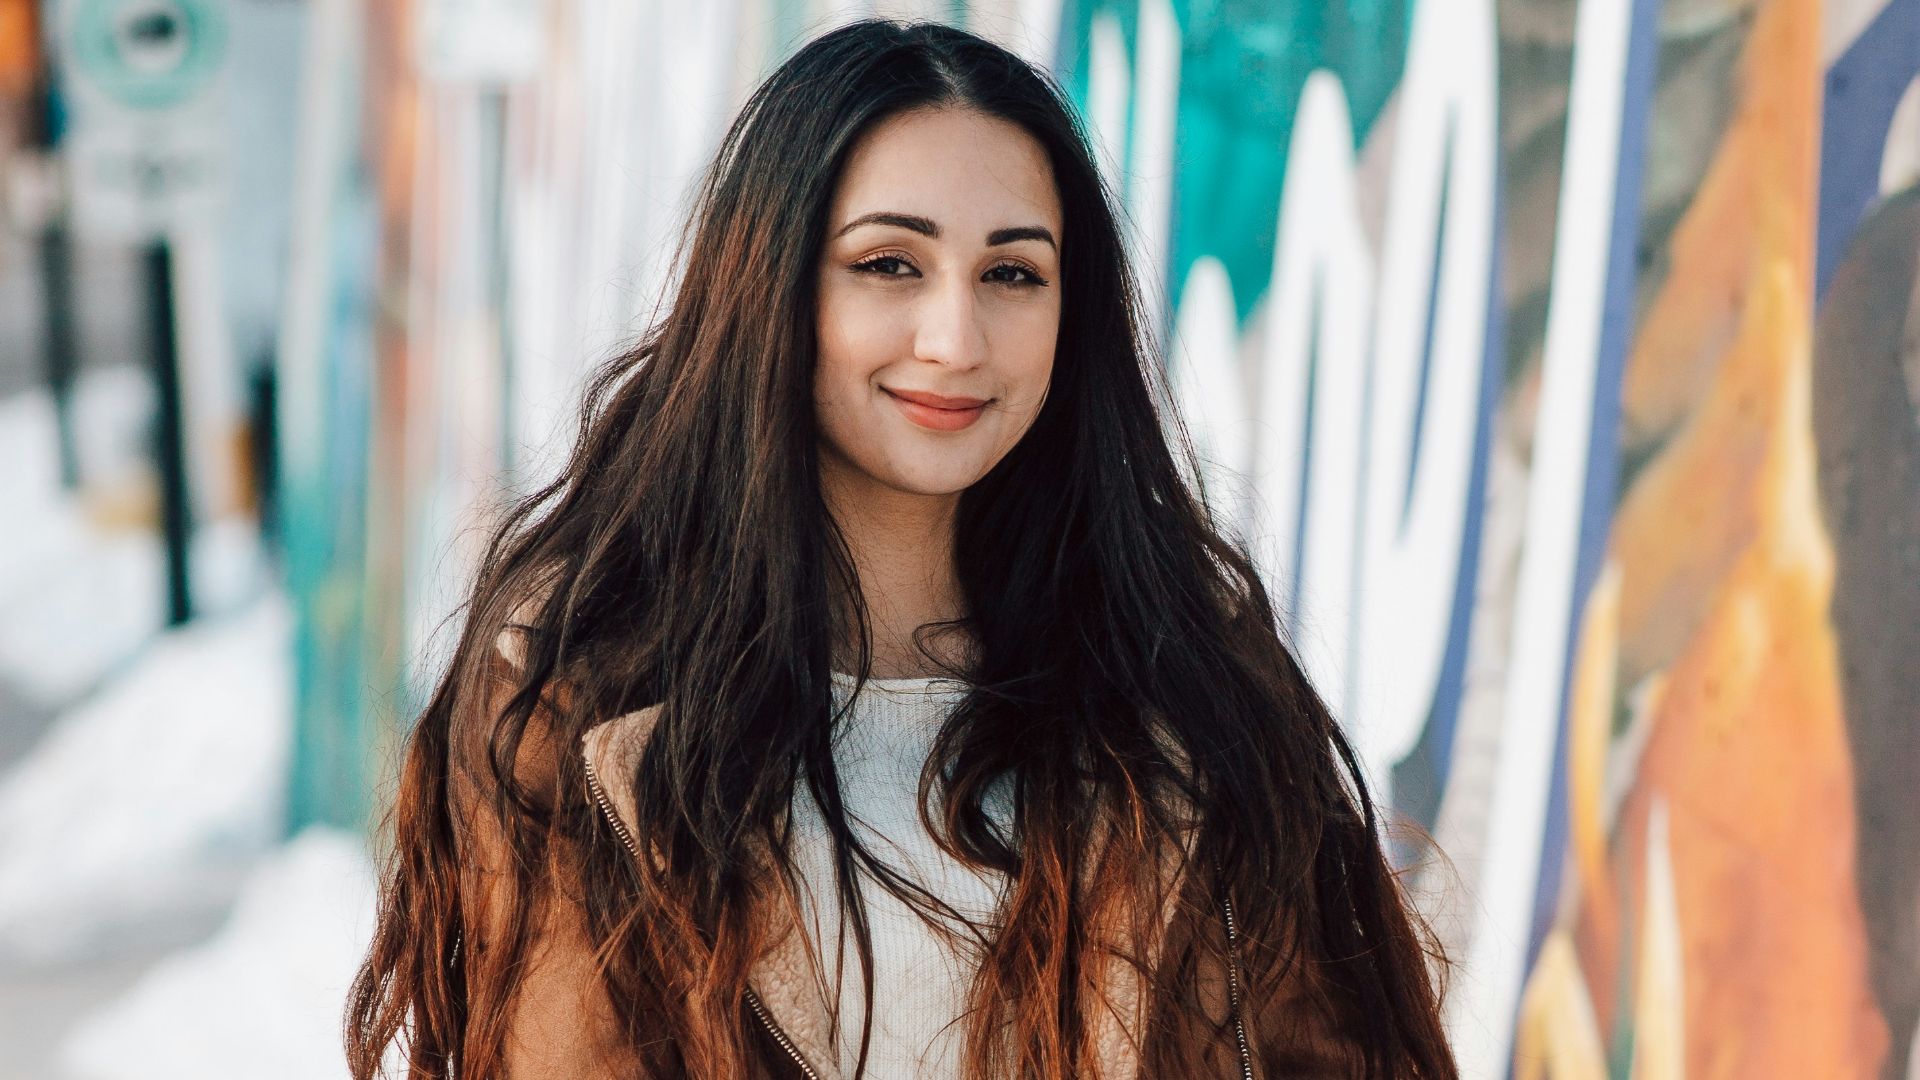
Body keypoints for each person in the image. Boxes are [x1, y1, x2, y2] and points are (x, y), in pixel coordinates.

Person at [346, 18, 1455, 1080]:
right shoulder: (577, 693)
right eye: (888, 264)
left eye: (1012, 274)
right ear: (772, 284)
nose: (955, 340)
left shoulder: (1189, 681)